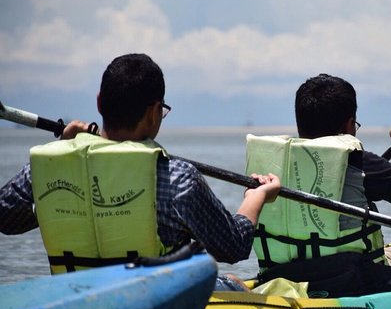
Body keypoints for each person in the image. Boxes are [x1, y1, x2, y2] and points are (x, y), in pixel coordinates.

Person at [0, 53, 280, 291]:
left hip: (76, 298)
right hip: (157, 303)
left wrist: (62, 149)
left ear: (99, 103)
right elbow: (233, 248)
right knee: (233, 281)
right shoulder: (178, 177)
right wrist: (255, 197)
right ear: (155, 111)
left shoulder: (47, 168)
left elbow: (7, 220)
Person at [245, 73, 391, 295]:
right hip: (356, 279)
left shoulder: (273, 167)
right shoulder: (358, 161)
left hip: (283, 276)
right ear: (349, 125)